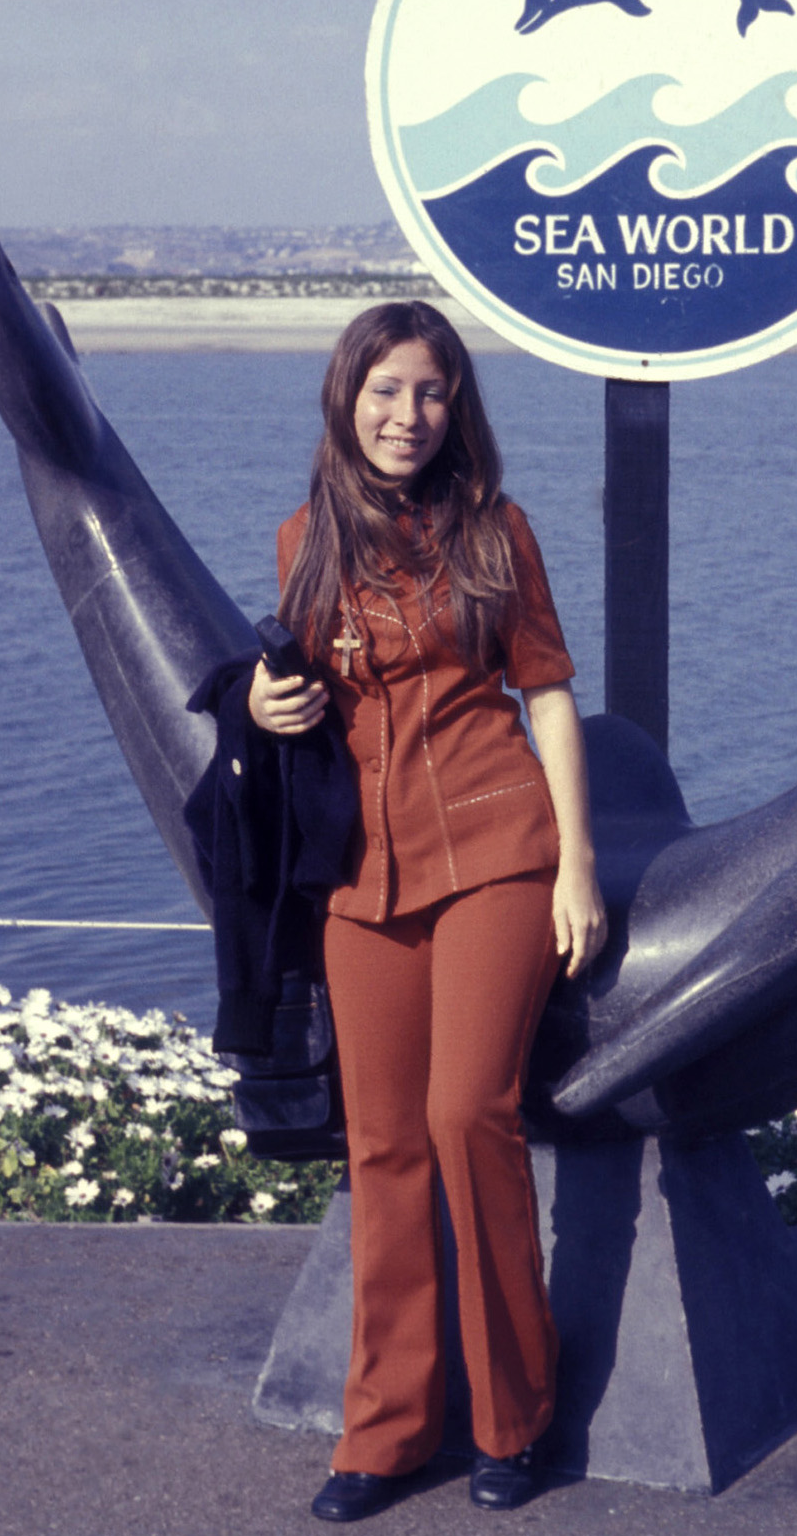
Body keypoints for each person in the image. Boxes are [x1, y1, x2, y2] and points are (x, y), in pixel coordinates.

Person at [248, 300, 607, 1521]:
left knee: (466, 1115)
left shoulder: (497, 532)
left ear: (457, 408)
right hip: (364, 875)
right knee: (382, 1144)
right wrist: (260, 703)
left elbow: (546, 694)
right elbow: (296, 695)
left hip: (498, 849)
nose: (407, 416)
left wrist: (575, 866)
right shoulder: (305, 539)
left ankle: (514, 1418)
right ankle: (386, 1432)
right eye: (386, 391)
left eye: (431, 392)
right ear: (347, 399)